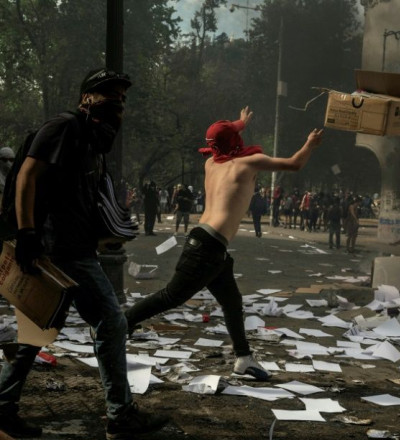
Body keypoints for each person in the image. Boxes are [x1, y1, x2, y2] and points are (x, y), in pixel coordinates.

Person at [0, 68, 169, 440]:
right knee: (111, 321)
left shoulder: (92, 144)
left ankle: (2, 408)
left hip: (73, 248)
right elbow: (28, 175)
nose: (118, 104)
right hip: (59, 252)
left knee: (34, 333)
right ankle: (120, 415)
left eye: (123, 99)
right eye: (110, 95)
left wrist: (105, 234)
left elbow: (80, 197)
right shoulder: (64, 128)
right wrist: (27, 234)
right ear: (86, 98)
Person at [125, 107, 323, 379]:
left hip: (209, 244)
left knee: (232, 302)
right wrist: (310, 144)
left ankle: (243, 358)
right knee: (172, 296)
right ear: (235, 142)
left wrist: (240, 123)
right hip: (207, 248)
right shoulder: (248, 163)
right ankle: (120, 324)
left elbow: (221, 142)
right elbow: (294, 164)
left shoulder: (210, 164)